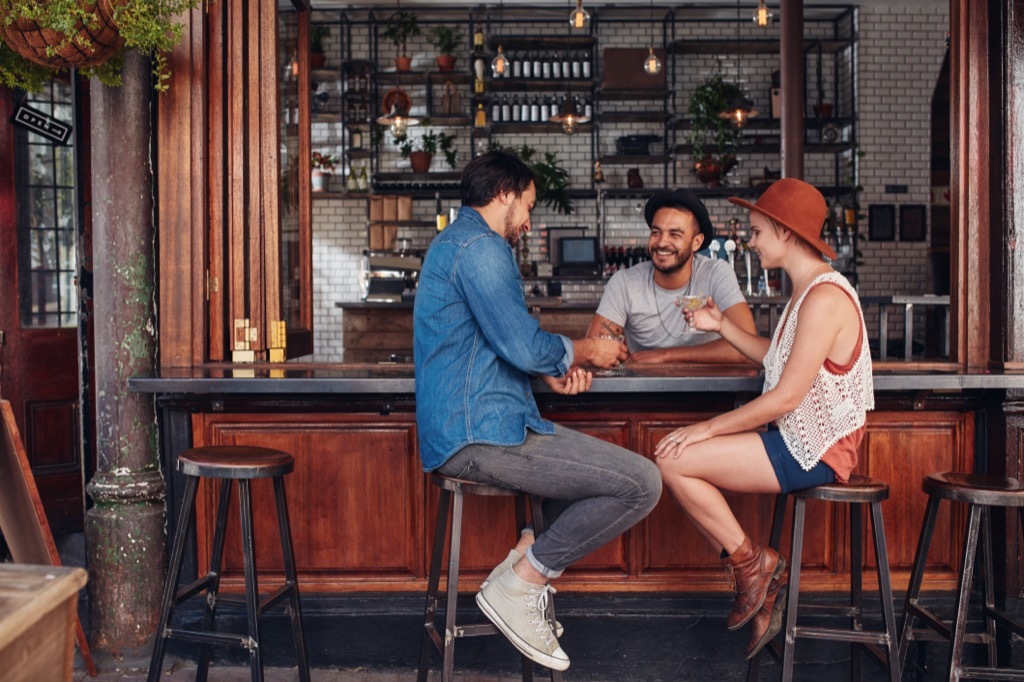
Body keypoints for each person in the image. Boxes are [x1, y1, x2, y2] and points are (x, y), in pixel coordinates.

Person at [413, 150, 662, 672]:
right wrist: (586, 351)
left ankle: (524, 555)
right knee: (642, 482)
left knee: (578, 493)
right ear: (504, 193)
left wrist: (546, 367)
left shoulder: (458, 243)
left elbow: (499, 343)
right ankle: (522, 580)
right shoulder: (482, 247)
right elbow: (522, 343)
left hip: (480, 426)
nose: (528, 221)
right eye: (527, 205)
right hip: (480, 435)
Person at [653, 178, 874, 660]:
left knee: (674, 458)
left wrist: (706, 427)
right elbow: (774, 360)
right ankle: (755, 568)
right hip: (796, 440)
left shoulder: (823, 298)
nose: (750, 242)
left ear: (785, 232)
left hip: (815, 450)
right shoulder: (805, 292)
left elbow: (785, 397)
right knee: (672, 455)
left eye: (757, 232)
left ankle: (754, 566)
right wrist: (721, 326)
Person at [587, 188, 756, 364]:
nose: (661, 242)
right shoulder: (625, 282)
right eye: (656, 232)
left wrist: (665, 356)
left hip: (709, 388)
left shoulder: (716, 273)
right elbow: (595, 349)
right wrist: (612, 350)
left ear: (696, 242)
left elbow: (747, 348)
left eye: (675, 234)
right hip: (643, 388)